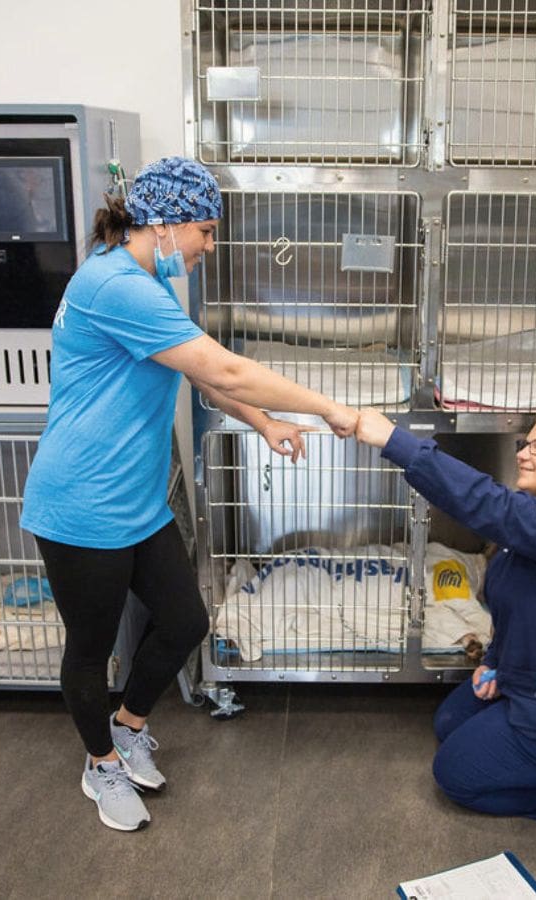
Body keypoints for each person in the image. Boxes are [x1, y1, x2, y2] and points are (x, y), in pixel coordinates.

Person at [21, 157, 358, 832]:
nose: (210, 244)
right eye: (205, 229)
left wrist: (263, 421)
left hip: (137, 499)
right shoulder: (115, 284)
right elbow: (225, 365)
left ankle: (127, 725)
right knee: (91, 649)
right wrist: (331, 408)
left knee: (184, 622)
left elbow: (201, 375)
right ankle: (100, 764)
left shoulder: (147, 276)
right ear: (166, 223)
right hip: (82, 502)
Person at [353, 407, 536, 839]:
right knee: (449, 722)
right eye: (524, 445)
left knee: (454, 774)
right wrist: (494, 661)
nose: (524, 455)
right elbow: (519, 609)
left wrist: (394, 440)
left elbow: (487, 501)